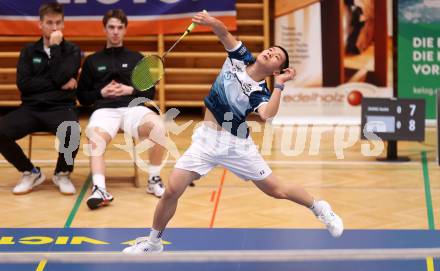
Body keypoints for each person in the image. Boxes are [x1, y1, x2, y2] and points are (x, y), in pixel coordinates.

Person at [123, 11, 344, 254]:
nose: (271, 52)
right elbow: (223, 32)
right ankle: (153, 242)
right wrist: (210, 22)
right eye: (271, 49)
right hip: (206, 140)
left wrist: (280, 85)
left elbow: (267, 114)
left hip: (236, 145)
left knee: (276, 190)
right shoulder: (239, 57)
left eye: (277, 57)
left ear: (275, 70)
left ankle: (320, 209)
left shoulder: (260, 92)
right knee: (172, 190)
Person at [77, 9, 167, 210]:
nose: (115, 32)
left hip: (133, 108)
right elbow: (82, 97)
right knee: (95, 138)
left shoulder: (136, 58)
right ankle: (99, 189)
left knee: (159, 127)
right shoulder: (93, 61)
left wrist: (131, 89)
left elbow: (150, 94)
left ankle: (153, 180)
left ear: (125, 30)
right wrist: (101, 92)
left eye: (119, 27)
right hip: (104, 110)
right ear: (105, 29)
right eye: (111, 27)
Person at [0, 2, 80, 195]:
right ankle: (30, 172)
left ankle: (62, 172)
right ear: (40, 24)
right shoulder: (28, 51)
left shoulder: (72, 50)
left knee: (72, 131)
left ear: (63, 24)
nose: (54, 28)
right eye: (49, 23)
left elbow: (60, 77)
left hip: (61, 108)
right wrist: (58, 84)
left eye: (58, 23)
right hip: (31, 108)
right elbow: (24, 85)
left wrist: (55, 48)